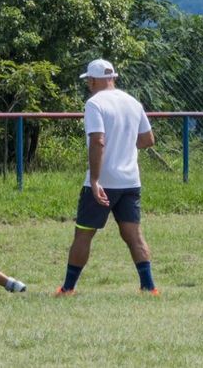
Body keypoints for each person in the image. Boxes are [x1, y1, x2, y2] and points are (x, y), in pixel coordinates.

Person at [56, 59, 158, 296]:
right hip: (130, 180)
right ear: (113, 77)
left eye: (88, 81)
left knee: (83, 233)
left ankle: (68, 288)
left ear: (92, 80)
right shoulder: (133, 102)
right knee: (134, 235)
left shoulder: (94, 103)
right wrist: (123, 144)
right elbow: (147, 140)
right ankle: (149, 286)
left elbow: (98, 140)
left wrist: (95, 180)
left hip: (104, 182)